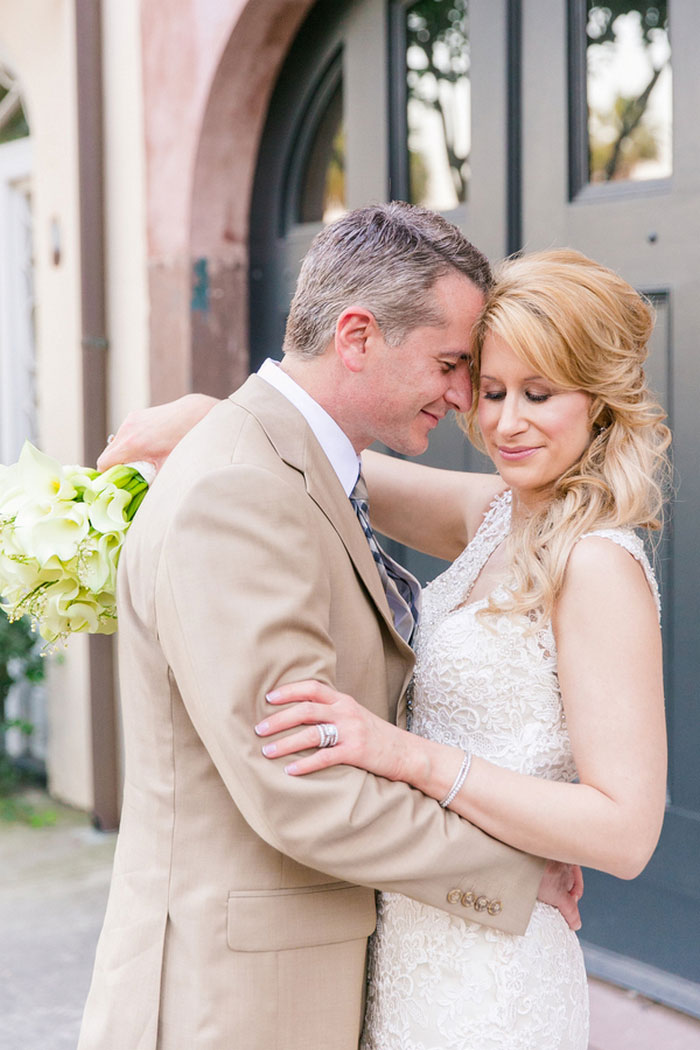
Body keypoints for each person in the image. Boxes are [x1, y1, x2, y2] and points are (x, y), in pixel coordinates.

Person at [107, 247, 670, 1048]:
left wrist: (409, 757)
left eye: (539, 395)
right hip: (407, 944)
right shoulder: (495, 515)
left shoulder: (598, 564)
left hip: (498, 974)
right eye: (493, 388)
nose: (505, 423)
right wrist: (210, 413)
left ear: (600, 401)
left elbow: (626, 832)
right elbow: (325, 458)